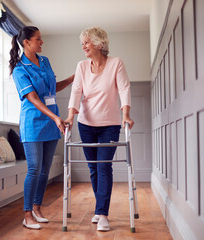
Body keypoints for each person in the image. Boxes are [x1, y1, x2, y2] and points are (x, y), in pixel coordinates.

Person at [65, 27, 134, 232]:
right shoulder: (82, 66)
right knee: (93, 168)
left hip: (110, 125)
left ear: (99, 43)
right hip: (85, 124)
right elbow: (76, 91)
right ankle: (99, 208)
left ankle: (102, 214)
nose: (83, 46)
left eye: (86, 42)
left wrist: (126, 115)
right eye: (83, 43)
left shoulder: (116, 63)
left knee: (104, 167)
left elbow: (124, 89)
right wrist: (70, 115)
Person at [9, 26, 74, 230]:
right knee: (34, 169)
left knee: (45, 170)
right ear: (26, 43)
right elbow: (33, 98)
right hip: (34, 123)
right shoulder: (20, 69)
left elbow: (52, 88)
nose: (41, 42)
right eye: (38, 39)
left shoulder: (45, 61)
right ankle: (27, 214)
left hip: (51, 122)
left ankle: (37, 208)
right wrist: (56, 117)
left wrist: (75, 78)